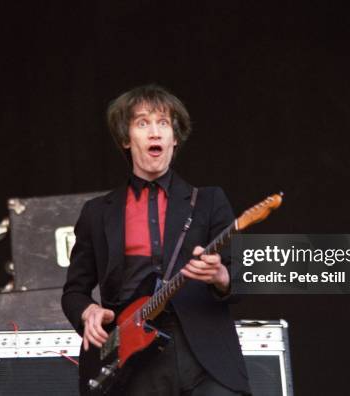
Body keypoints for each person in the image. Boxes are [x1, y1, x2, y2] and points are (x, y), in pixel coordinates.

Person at [62, 85, 250, 395]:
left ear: (174, 139)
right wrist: (87, 312)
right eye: (142, 123)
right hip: (132, 359)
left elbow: (244, 274)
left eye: (163, 123)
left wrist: (222, 276)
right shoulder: (97, 213)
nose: (155, 132)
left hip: (205, 356)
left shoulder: (209, 201)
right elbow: (74, 291)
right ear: (126, 139)